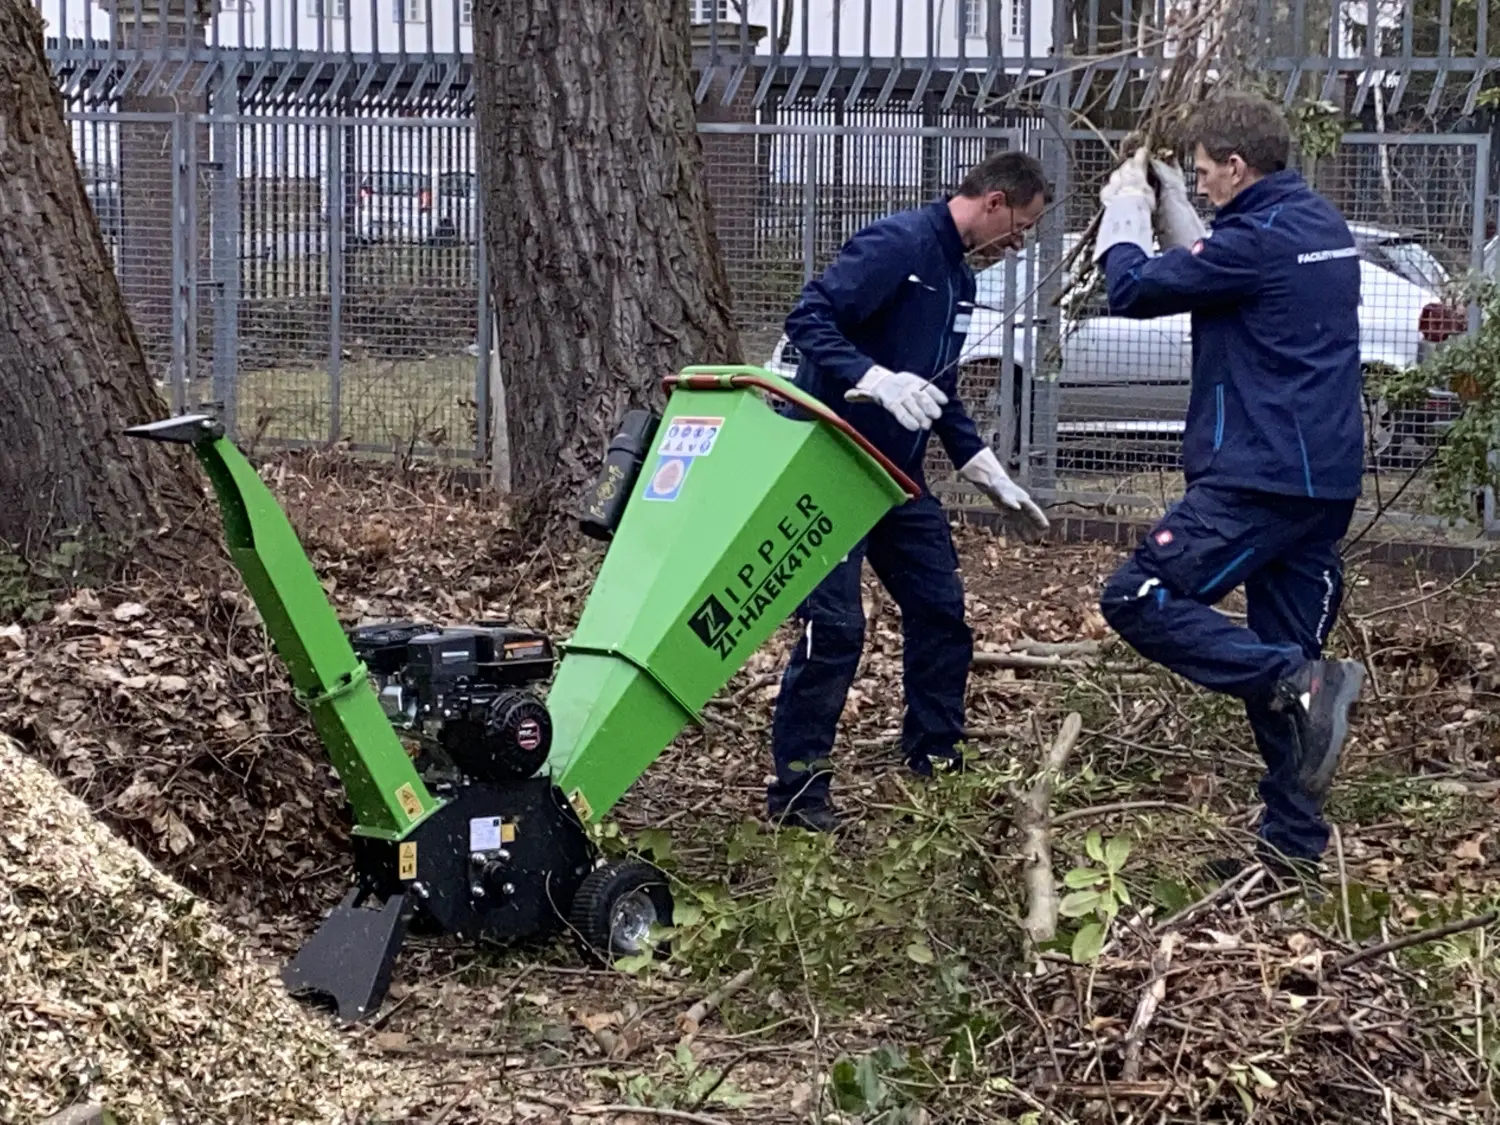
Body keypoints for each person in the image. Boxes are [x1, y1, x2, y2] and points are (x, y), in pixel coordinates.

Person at [1091, 91, 1368, 882]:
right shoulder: (1316, 226)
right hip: (1322, 482)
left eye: (1208, 172)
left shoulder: (1258, 242)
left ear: (1239, 166)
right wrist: (1180, 201)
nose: (1204, 183)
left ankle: (1294, 680)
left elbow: (1134, 288)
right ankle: (1293, 850)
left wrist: (1125, 212)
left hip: (1257, 474)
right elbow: (1220, 266)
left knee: (1137, 596)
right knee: (1290, 662)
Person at [765, 150, 1053, 833]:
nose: (1019, 241)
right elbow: (809, 318)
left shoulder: (960, 277)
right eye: (1021, 225)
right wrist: (870, 375)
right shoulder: (898, 245)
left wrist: (980, 462)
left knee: (942, 610)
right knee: (835, 629)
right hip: (827, 459)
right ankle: (799, 793)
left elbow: (939, 387)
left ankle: (936, 757)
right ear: (993, 202)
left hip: (895, 475)